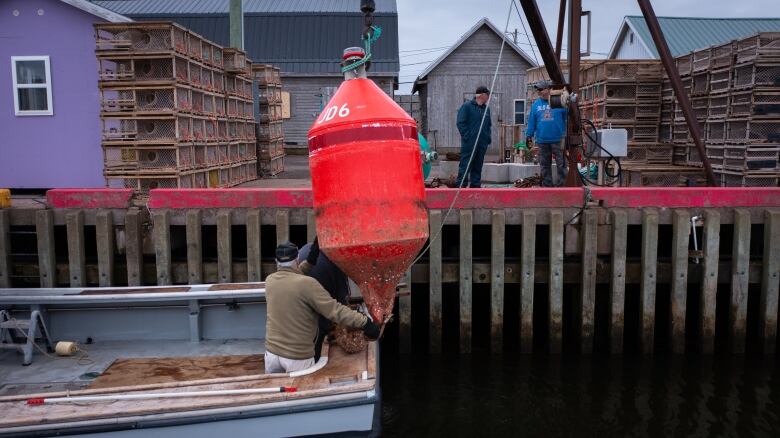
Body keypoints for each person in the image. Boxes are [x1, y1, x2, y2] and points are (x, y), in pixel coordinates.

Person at [264, 241, 381, 373]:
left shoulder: (270, 281)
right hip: (296, 358)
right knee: (301, 393)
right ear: (297, 259)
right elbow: (335, 310)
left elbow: (293, 275)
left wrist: (311, 259)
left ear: (276, 261)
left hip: (271, 355)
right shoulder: (308, 284)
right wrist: (365, 322)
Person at [298, 239, 350, 362]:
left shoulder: (307, 250)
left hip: (299, 299)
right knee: (321, 323)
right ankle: (314, 358)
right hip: (319, 282)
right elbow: (340, 304)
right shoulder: (338, 263)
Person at [526, 80, 568, 187]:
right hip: (542, 140)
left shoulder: (559, 101)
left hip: (558, 139)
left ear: (548, 89)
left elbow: (568, 116)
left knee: (561, 164)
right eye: (538, 90)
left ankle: (562, 186)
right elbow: (532, 121)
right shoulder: (536, 105)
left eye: (541, 89)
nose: (540, 92)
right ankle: (547, 186)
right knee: (544, 165)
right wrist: (529, 136)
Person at [456, 86, 492, 188]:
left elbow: (488, 125)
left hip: (482, 142)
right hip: (470, 142)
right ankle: (461, 186)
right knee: (466, 164)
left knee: (478, 165)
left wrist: (487, 138)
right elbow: (460, 123)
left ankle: (475, 186)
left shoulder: (486, 109)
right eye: (487, 95)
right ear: (482, 95)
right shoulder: (467, 106)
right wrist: (467, 136)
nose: (488, 97)